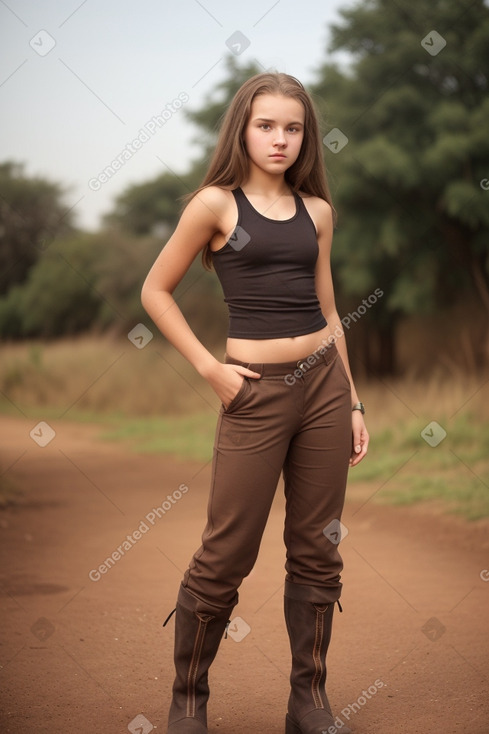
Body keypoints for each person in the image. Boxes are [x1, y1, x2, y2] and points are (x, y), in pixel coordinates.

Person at [141, 71, 369, 734]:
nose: (280, 139)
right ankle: (188, 701)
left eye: (292, 128)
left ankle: (309, 701)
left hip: (325, 388)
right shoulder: (214, 205)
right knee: (227, 548)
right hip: (254, 391)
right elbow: (155, 291)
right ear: (242, 128)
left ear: (307, 136)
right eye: (266, 125)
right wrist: (210, 368)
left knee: (317, 545)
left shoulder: (317, 212)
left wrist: (352, 400)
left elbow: (328, 310)